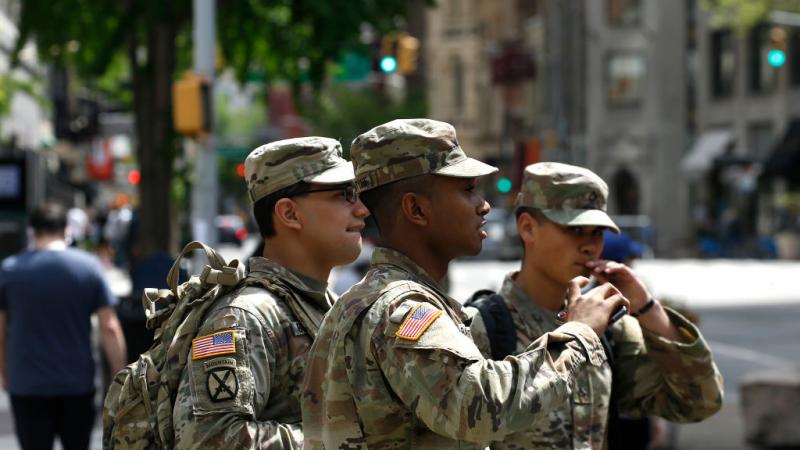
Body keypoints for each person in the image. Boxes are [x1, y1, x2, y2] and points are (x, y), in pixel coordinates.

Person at [301, 119, 631, 449]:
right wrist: (578, 334)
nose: (483, 205)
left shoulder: (375, 299)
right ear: (416, 209)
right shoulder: (400, 309)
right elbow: (479, 408)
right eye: (468, 190)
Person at [468, 162, 723, 450]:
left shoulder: (610, 330)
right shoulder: (483, 327)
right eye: (575, 230)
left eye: (597, 233)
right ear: (528, 228)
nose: (589, 246)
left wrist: (646, 307)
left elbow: (699, 401)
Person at [171, 137, 370, 448]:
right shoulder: (244, 317)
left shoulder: (320, 304)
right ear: (289, 213)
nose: (361, 209)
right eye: (343, 195)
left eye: (356, 193)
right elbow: (210, 438)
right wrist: (343, 440)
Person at [0, 201, 127, 450]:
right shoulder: (89, 267)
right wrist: (119, 379)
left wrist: (5, 373)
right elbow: (109, 327)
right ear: (67, 230)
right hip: (77, 383)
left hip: (27, 383)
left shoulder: (10, 270)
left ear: (32, 231)